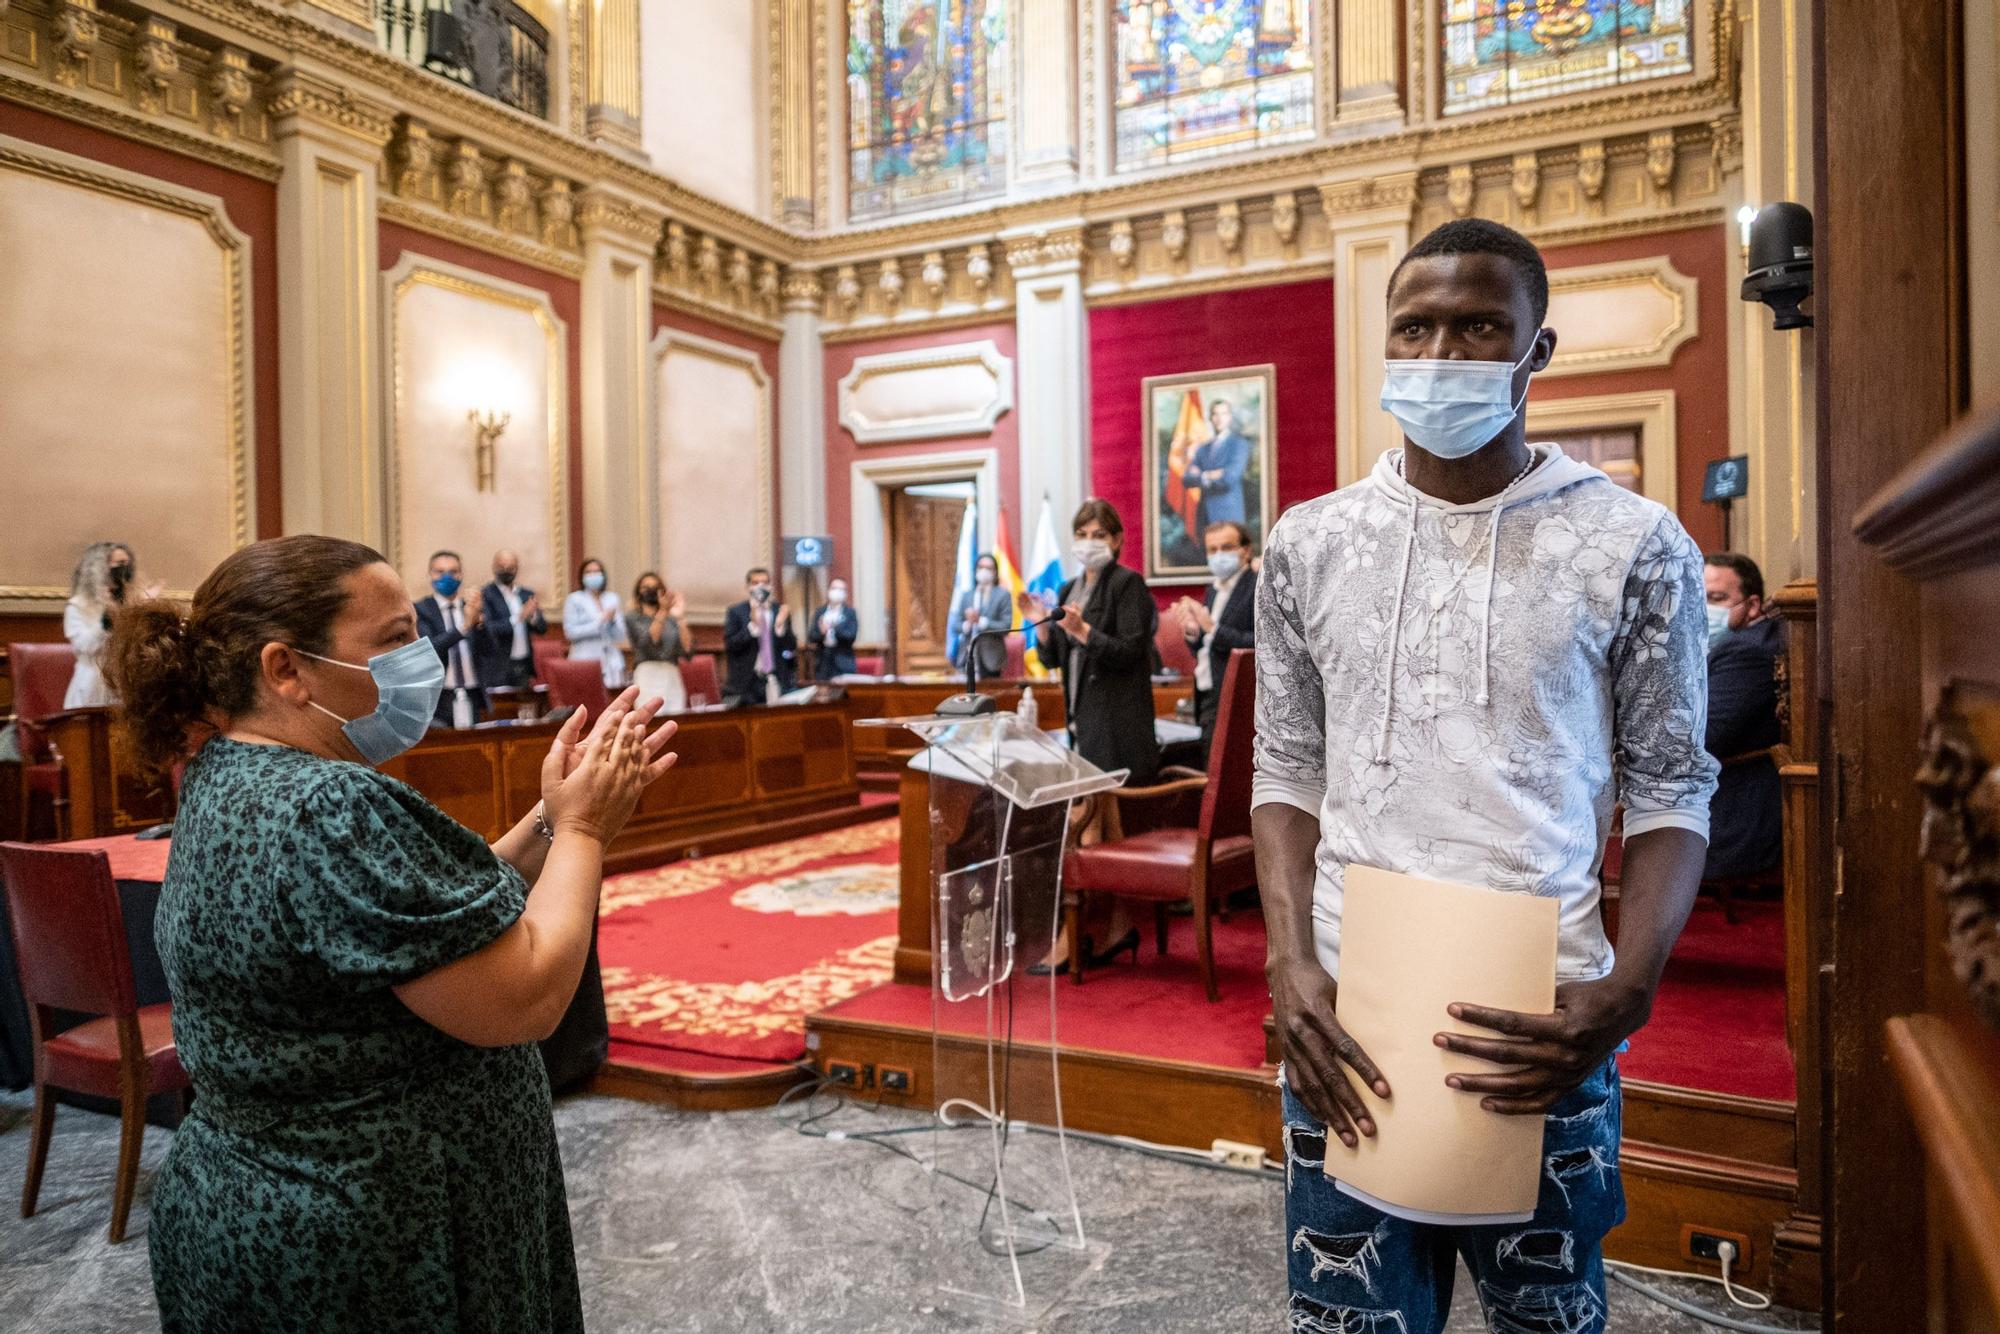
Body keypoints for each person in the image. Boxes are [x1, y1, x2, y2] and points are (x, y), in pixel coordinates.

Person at [1253, 218, 1717, 1334]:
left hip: (1541, 1016)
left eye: (1477, 328)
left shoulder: (1633, 545)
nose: (1440, 352)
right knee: (1348, 1319)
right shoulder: (1309, 542)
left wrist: (1628, 984)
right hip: (1345, 1017)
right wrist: (1284, 958)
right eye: (1414, 327)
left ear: (1533, 350)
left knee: (1544, 1317)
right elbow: (1285, 766)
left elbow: (1670, 789)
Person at [109, 534, 680, 1332]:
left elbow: (423, 920)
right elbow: (528, 998)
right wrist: (587, 829)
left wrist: (549, 820)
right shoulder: (332, 806)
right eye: (393, 640)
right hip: (372, 1235)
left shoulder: (230, 770)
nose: (422, 658)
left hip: (265, 1206)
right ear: (286, 669)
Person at [1702, 552, 1784, 881]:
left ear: (1752, 606)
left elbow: (1704, 736)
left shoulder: (1746, 652)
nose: (1703, 609)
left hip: (1731, 814)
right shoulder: (1745, 641)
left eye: (1716, 599)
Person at [1171, 521, 1257, 764]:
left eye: (1227, 547)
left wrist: (1213, 629)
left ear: (1245, 550)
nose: (1219, 555)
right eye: (1212, 549)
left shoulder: (1257, 586)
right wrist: (1193, 632)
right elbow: (1207, 648)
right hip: (1209, 695)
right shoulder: (1213, 590)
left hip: (1241, 701)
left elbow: (1261, 644)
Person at [63, 541, 146, 708]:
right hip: (92, 686)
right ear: (100, 568)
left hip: (125, 685)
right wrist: (106, 621)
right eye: (120, 564)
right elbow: (84, 646)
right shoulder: (78, 605)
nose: (125, 568)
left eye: (128, 563)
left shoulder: (135, 603)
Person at [414, 550, 485, 727]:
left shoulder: (471, 607)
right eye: (440, 572)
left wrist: (480, 623)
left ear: (461, 575)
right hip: (440, 695)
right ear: (430, 574)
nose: (447, 577)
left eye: (453, 572)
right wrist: (464, 628)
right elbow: (429, 648)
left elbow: (492, 650)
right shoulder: (421, 609)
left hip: (473, 693)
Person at [722, 567, 797, 705]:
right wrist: (753, 627)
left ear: (770, 586)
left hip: (775, 679)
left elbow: (791, 647)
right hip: (747, 683)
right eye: (756, 583)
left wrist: (780, 626)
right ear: (748, 587)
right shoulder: (736, 612)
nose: (761, 587)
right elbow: (731, 644)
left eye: (765, 582)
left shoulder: (779, 610)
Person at [478, 549, 548, 689]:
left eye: (510, 568)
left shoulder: (526, 594)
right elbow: (490, 628)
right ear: (494, 567)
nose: (506, 571)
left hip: (523, 664)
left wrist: (532, 616)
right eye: (502, 567)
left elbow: (542, 628)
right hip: (498, 666)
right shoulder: (486, 595)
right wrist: (519, 617)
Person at [1183, 397, 1252, 533]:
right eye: (1215, 414)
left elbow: (1229, 478)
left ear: (1229, 417)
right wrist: (1211, 475)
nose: (1219, 418)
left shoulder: (1239, 444)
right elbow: (1187, 479)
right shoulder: (1202, 449)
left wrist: (1201, 476)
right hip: (1204, 517)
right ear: (1210, 418)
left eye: (1223, 414)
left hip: (1229, 515)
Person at [625, 571, 691, 711]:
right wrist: (663, 611)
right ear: (638, 592)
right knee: (651, 721)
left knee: (676, 722)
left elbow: (688, 649)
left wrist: (680, 617)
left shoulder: (671, 619)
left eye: (655, 587)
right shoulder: (633, 617)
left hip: (672, 673)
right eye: (646, 587)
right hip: (648, 674)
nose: (651, 591)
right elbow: (648, 643)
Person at [563, 557, 629, 688]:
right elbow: (570, 633)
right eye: (589, 572)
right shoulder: (574, 599)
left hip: (610, 659)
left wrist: (612, 621)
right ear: (582, 576)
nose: (594, 575)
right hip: (584, 658)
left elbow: (620, 635)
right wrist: (601, 621)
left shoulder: (612, 598)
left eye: (597, 572)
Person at [951, 554, 1014, 681]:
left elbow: (1006, 626)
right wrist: (968, 624)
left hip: (991, 660)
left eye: (988, 568)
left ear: (995, 572)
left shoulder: (1002, 595)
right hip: (967, 657)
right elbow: (955, 625)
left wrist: (981, 622)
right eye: (981, 567)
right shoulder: (967, 595)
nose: (984, 571)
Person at [808, 576, 860, 678]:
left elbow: (851, 636)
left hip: (843, 663)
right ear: (829, 590)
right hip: (823, 663)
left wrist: (833, 628)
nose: (837, 592)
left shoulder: (850, 613)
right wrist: (822, 632)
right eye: (834, 588)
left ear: (845, 593)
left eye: (841, 589)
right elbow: (811, 636)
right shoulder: (820, 612)